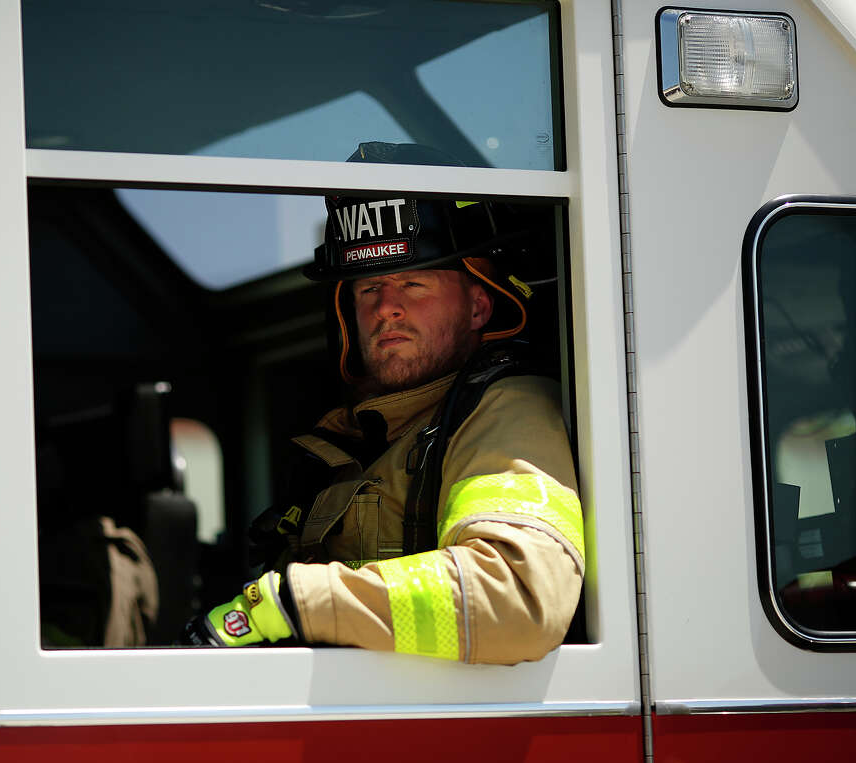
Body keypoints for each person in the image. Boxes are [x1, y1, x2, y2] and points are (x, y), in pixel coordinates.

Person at [181, 143, 584, 665]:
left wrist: (288, 604)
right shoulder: (370, 435)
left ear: (479, 304)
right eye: (369, 288)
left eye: (414, 284)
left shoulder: (508, 405)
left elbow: (518, 595)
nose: (387, 308)